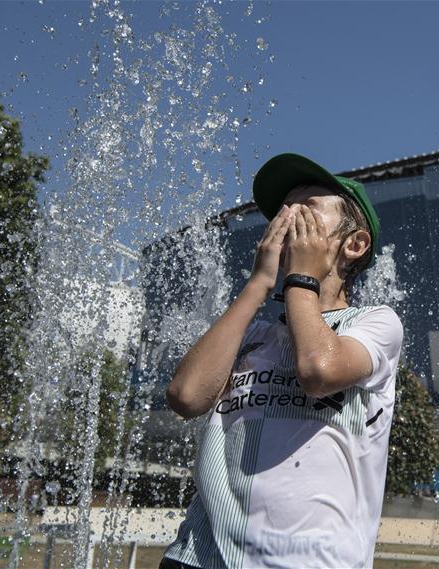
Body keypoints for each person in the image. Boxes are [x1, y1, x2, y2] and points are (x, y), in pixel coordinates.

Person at [160, 153, 404, 568]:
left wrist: (301, 279)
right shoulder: (251, 336)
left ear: (354, 244)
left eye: (306, 211)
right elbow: (185, 396)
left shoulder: (374, 323)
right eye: (283, 212)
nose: (287, 220)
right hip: (198, 559)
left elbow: (318, 370)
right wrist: (258, 283)